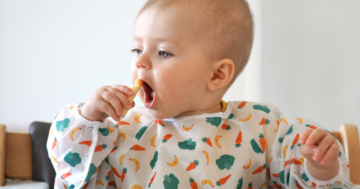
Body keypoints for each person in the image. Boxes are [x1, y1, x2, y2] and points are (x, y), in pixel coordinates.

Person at [47, 0, 354, 188]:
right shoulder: (121, 130)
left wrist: (319, 167)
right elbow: (71, 171)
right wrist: (87, 118)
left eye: (163, 52)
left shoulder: (262, 128)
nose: (140, 61)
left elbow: (300, 178)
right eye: (137, 48)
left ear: (217, 74)